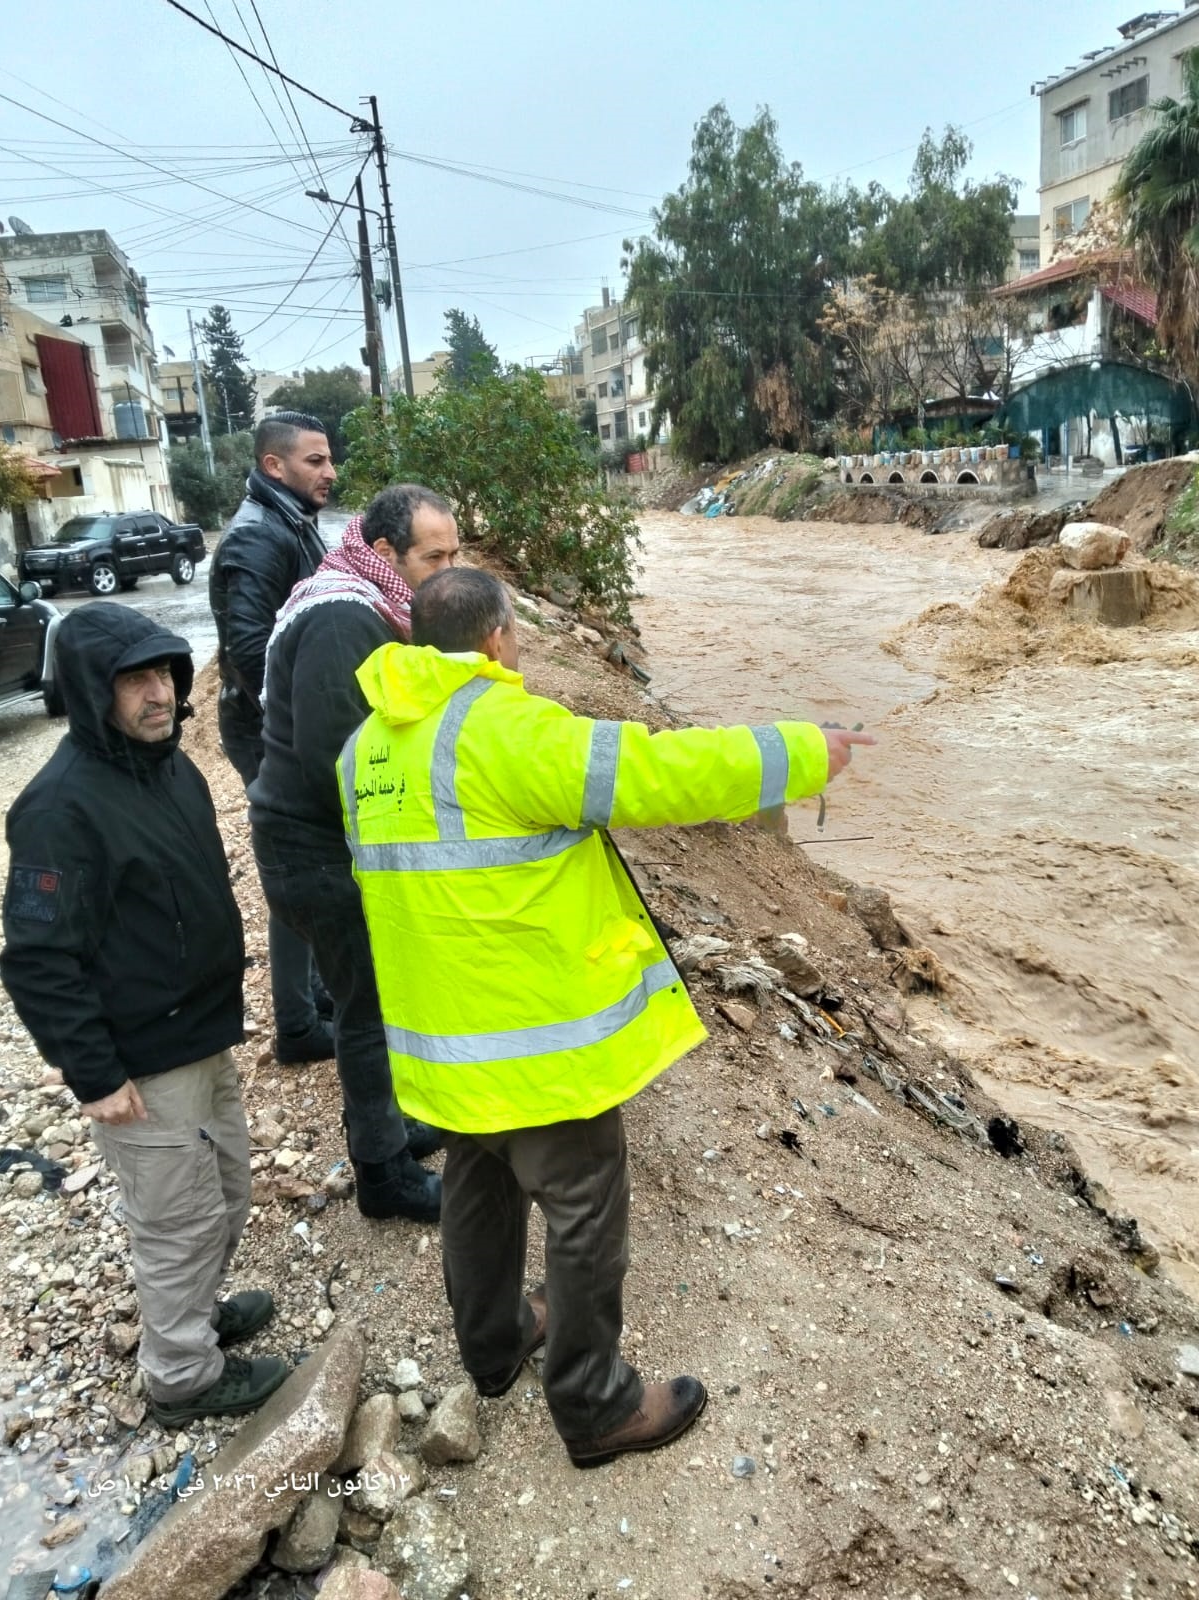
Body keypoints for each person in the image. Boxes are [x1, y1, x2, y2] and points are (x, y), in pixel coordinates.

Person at [337, 567, 875, 1468]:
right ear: (500, 636)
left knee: (479, 1194)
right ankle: (596, 1405)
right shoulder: (506, 731)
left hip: (445, 1042)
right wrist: (801, 753)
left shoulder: (366, 749)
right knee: (583, 1215)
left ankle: (498, 1345)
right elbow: (659, 774)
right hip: (538, 1045)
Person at [0, 605, 288, 1428]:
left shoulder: (169, 768)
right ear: (93, 690)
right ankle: (181, 1376)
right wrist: (95, 1075)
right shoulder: (59, 808)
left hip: (200, 1036)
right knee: (176, 1221)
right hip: (140, 1060)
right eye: (134, 679)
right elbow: (38, 959)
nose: (158, 694)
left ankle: (192, 1316)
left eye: (163, 673)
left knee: (228, 1194)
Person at [249, 484, 461, 1222]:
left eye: (455, 553)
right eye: (433, 555)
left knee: (372, 1000)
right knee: (368, 1008)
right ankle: (383, 1174)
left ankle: (393, 1125)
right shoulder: (345, 617)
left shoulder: (366, 602)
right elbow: (332, 760)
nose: (446, 569)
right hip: (315, 848)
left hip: (320, 841)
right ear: (384, 553)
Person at [209, 410, 335, 1066]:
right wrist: (299, 733)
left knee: (307, 856)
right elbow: (252, 647)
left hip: (278, 723)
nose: (330, 471)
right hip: (269, 729)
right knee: (298, 861)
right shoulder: (259, 536)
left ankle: (315, 993)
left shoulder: (287, 522)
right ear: (274, 466)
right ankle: (297, 1023)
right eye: (315, 460)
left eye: (329, 458)